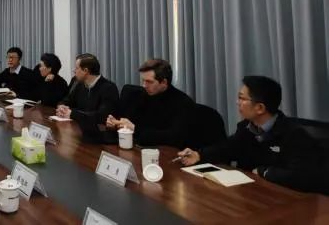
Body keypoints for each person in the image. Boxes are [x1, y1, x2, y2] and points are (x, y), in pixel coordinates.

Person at [177, 76, 327, 194]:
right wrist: (199, 155)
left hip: (286, 202)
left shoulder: (294, 135)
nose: (237, 103)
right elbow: (227, 147)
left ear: (260, 108)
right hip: (252, 194)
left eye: (242, 98)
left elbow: (301, 176)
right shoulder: (246, 127)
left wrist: (263, 172)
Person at [106, 59, 194, 147]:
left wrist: (134, 129)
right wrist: (116, 123)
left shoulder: (183, 103)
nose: (144, 85)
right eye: (143, 81)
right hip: (136, 146)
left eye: (149, 82)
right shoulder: (139, 95)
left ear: (164, 82)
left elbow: (174, 137)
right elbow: (129, 121)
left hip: (163, 151)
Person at [56, 53, 119, 125]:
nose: (74, 71)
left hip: (98, 130)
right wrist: (61, 107)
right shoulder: (79, 85)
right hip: (78, 126)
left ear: (85, 71)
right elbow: (67, 101)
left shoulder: (109, 88)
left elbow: (102, 116)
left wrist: (73, 114)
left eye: (76, 68)